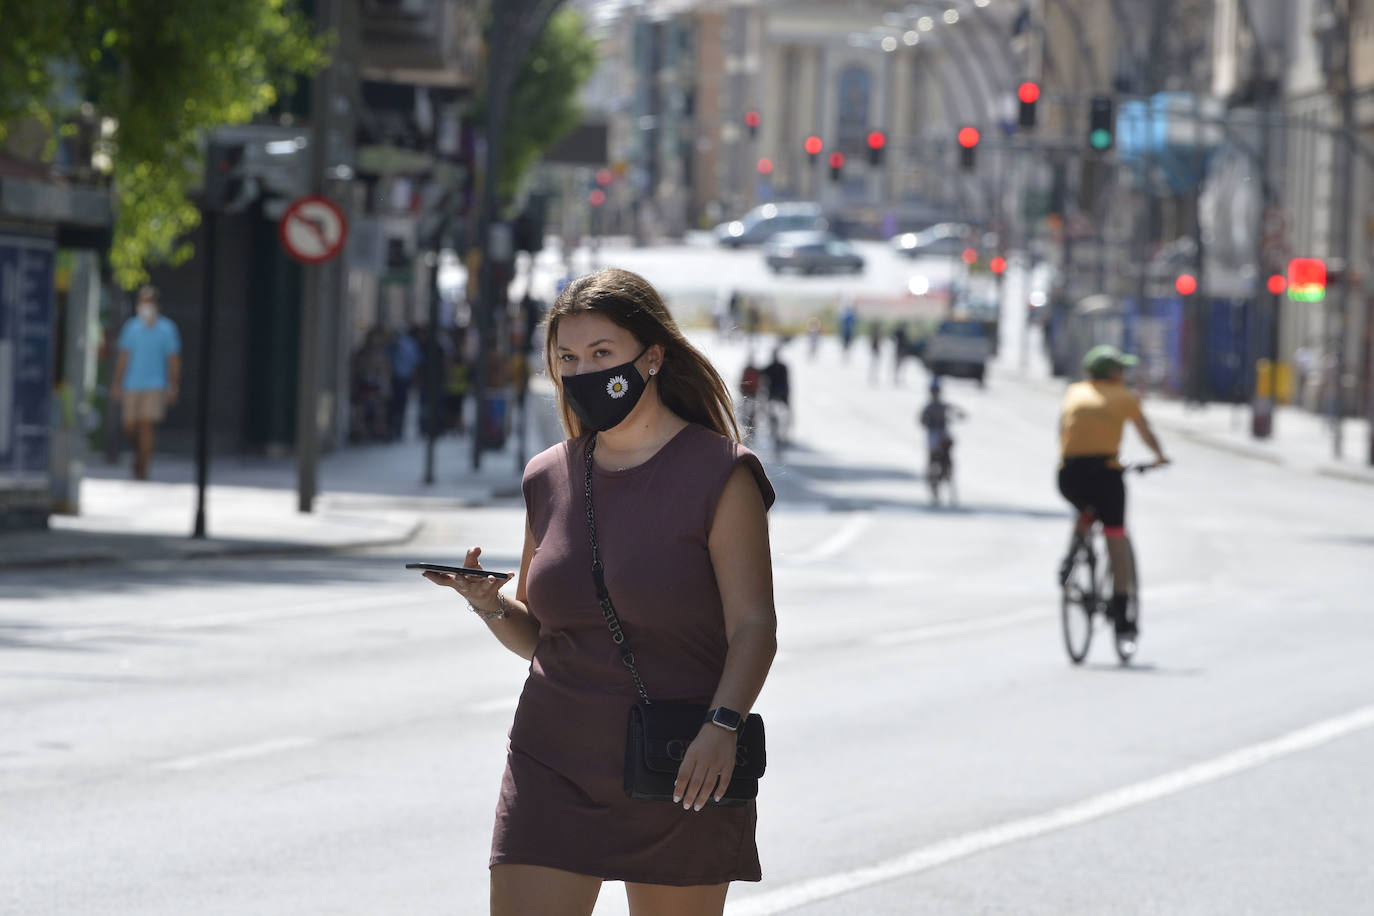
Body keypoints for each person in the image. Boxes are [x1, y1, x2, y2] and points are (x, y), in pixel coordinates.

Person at [417, 267, 777, 916]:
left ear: (654, 356)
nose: (583, 373)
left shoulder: (721, 475)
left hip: (681, 763)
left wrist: (722, 726)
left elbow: (755, 625)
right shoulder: (547, 477)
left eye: (602, 354)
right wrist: (490, 603)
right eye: (567, 358)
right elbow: (545, 637)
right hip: (551, 758)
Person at [1057, 345, 1169, 641]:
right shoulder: (1124, 397)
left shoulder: (1073, 392)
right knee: (1116, 536)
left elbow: (1063, 433)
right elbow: (1146, 432)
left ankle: (1071, 557)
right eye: (1121, 370)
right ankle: (1122, 617)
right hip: (1106, 474)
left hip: (1068, 474)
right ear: (1113, 373)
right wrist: (1160, 457)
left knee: (1084, 508)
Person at [110, 285, 181, 480]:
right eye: (142, 302)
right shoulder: (131, 328)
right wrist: (117, 383)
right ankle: (139, 453)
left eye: (149, 302)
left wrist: (173, 385)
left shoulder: (167, 329)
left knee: (147, 425)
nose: (145, 306)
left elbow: (173, 360)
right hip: (132, 384)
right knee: (130, 425)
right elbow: (123, 357)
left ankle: (143, 466)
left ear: (156, 305)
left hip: (155, 385)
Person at [919, 376, 965, 481]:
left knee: (949, 442)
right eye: (934, 391)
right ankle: (931, 469)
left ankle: (948, 466)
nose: (936, 393)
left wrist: (960, 414)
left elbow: (954, 409)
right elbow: (921, 418)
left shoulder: (943, 405)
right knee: (933, 449)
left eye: (937, 391)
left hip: (942, 430)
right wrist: (925, 421)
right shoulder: (929, 406)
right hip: (933, 430)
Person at [387, 325, 422, 440]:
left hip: (403, 378)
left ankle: (398, 429)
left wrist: (415, 378)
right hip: (391, 378)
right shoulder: (390, 345)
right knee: (392, 405)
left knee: (401, 404)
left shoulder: (409, 344)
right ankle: (391, 428)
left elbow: (415, 362)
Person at [761, 346, 791, 444]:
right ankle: (778, 433)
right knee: (777, 416)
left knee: (776, 416)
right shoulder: (781, 367)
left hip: (775, 395)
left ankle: (779, 433)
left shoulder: (772, 367)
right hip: (778, 396)